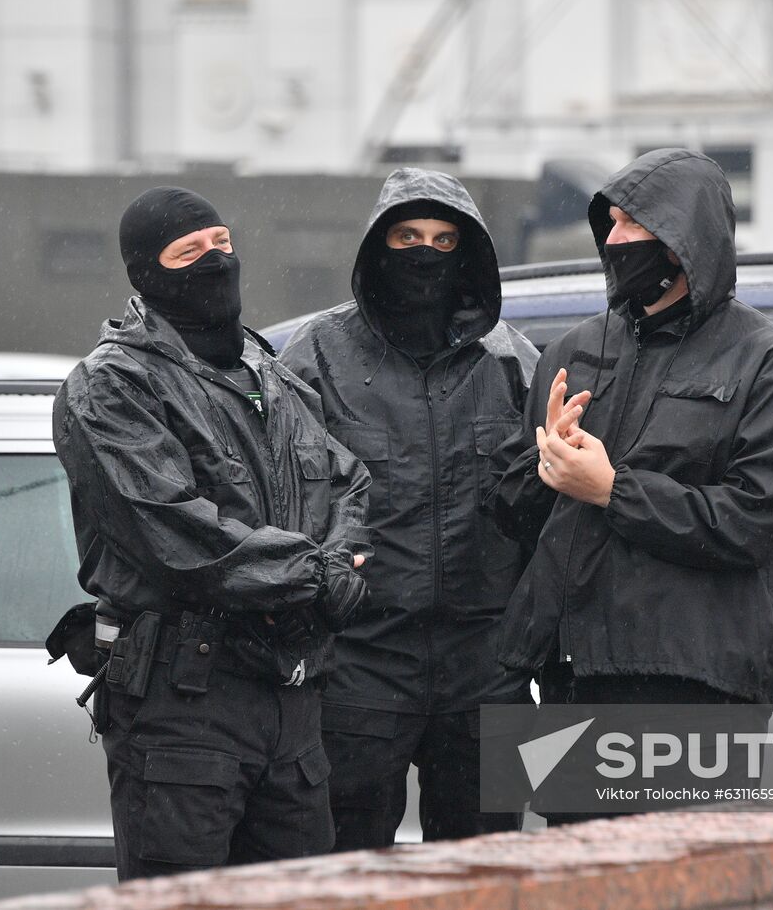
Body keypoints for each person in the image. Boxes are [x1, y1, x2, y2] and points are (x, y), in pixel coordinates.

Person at [53, 186, 372, 880]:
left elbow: (348, 480)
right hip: (183, 707)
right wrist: (319, 576)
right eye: (187, 252)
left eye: (221, 244)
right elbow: (178, 535)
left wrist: (339, 559)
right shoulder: (112, 387)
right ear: (145, 273)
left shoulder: (270, 373)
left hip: (291, 704)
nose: (213, 261)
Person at [492, 148, 773, 713]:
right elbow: (511, 515)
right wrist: (545, 466)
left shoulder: (767, 362)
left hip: (696, 689)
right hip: (571, 680)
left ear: (687, 237)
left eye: (636, 223)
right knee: (574, 808)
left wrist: (611, 489)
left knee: (675, 809)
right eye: (613, 222)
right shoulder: (575, 350)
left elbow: (756, 521)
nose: (616, 240)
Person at [280, 168, 539, 849]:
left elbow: (550, 507)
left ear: (471, 253)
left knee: (487, 870)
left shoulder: (510, 360)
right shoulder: (316, 357)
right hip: (360, 659)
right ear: (377, 246)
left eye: (445, 239)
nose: (425, 253)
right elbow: (281, 504)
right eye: (407, 236)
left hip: (486, 663)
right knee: (344, 868)